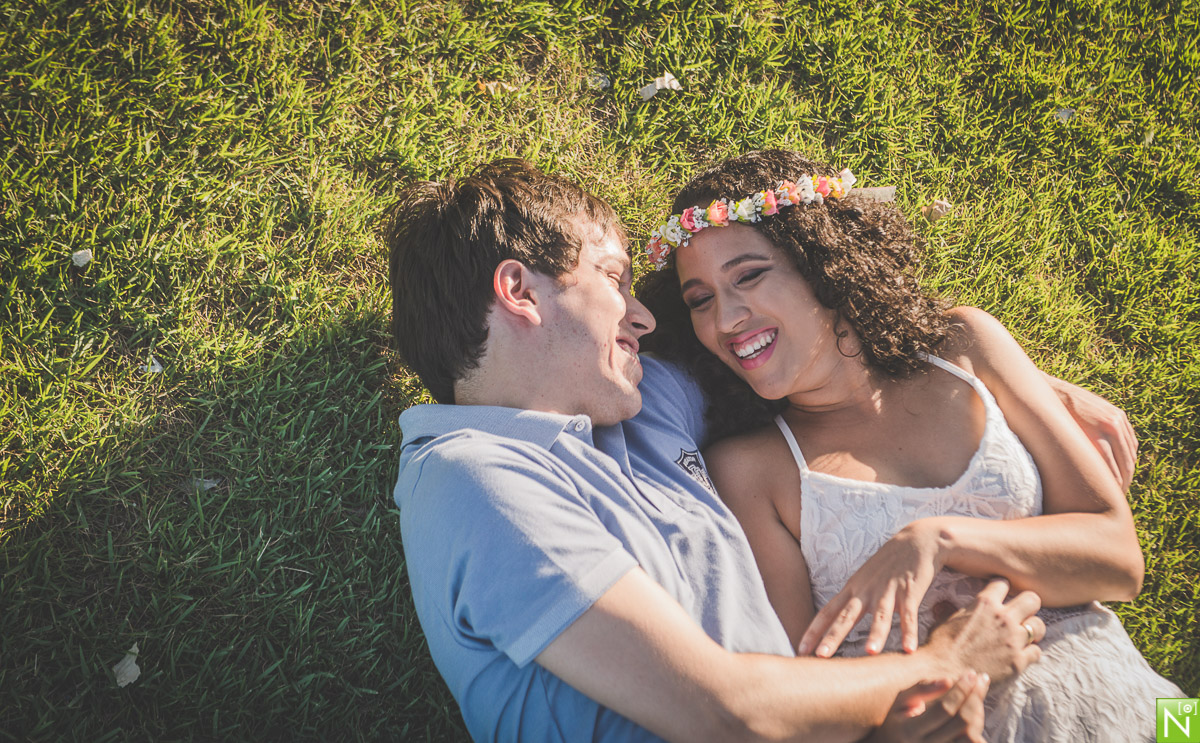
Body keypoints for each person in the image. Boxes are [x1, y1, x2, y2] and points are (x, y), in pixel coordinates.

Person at [636, 149, 1184, 742]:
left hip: (1157, 712)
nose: (726, 318)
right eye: (700, 300)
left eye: (748, 275)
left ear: (823, 264)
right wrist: (892, 729)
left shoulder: (966, 347)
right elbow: (800, 694)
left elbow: (1121, 562)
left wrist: (939, 540)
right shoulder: (751, 472)